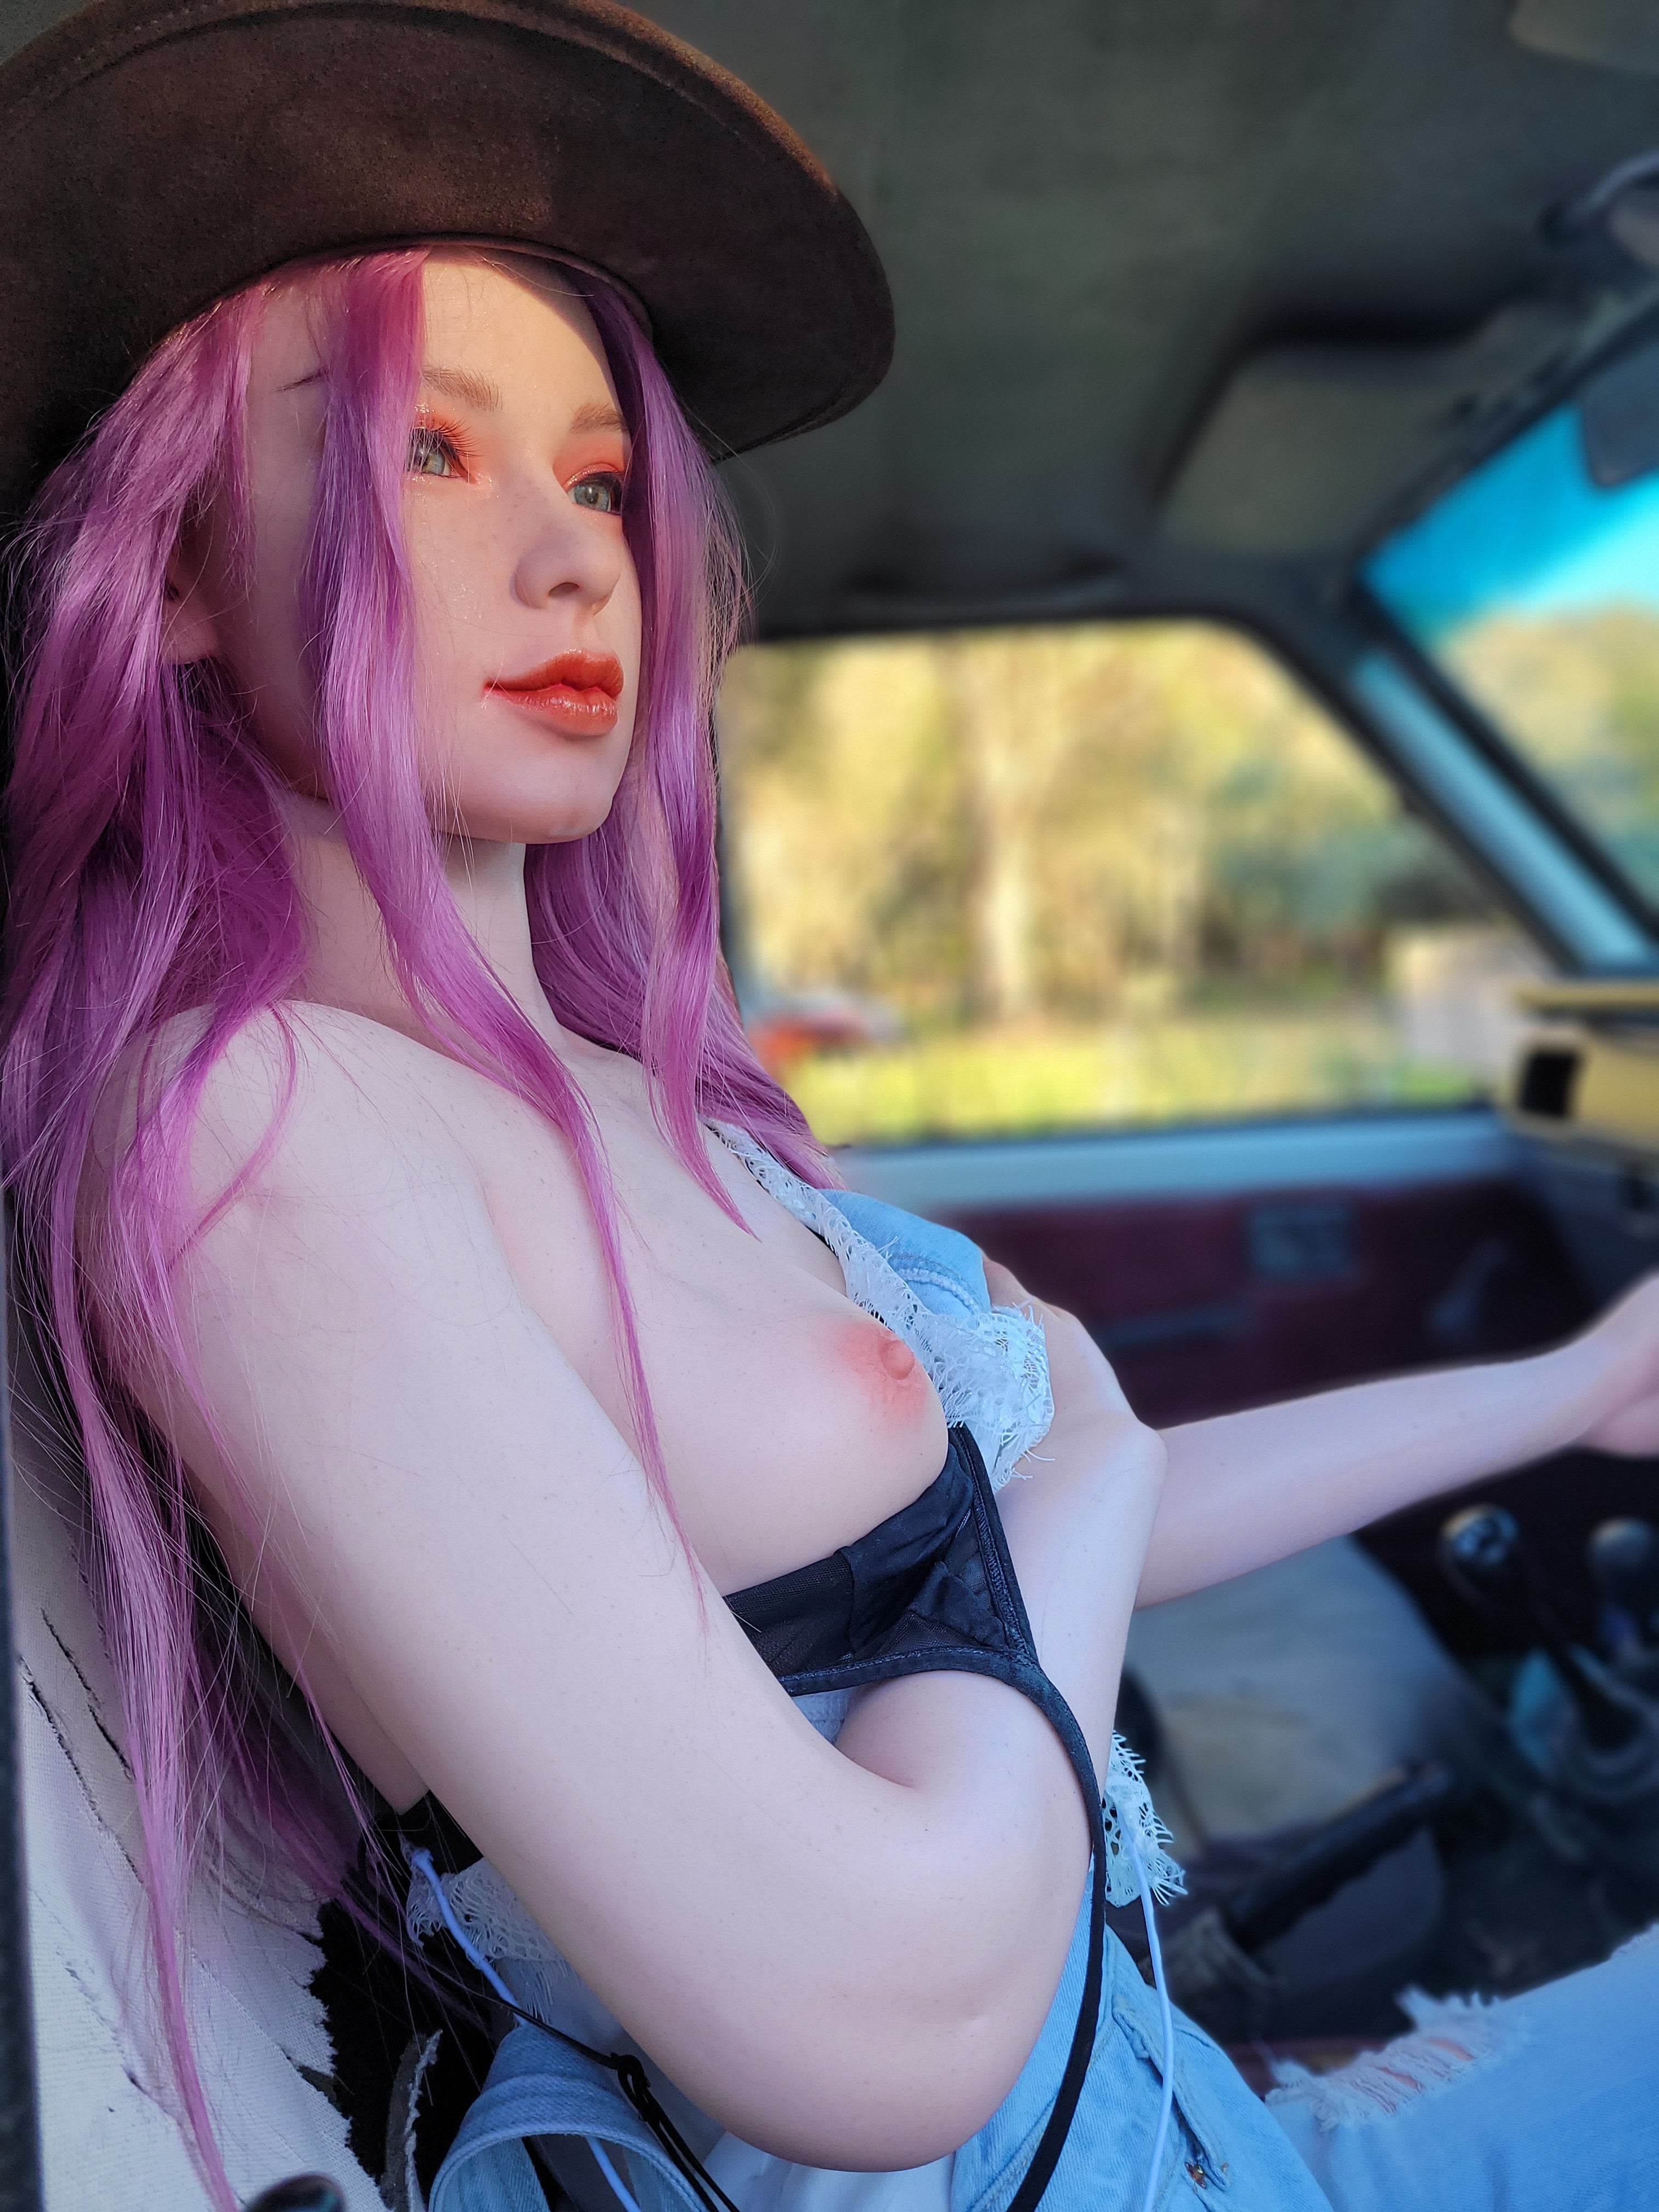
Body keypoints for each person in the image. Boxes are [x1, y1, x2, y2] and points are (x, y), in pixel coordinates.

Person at [3, 6, 1659, 2212]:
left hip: (1178, 2120)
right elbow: (874, 2030)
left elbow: (1033, 1520)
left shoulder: (643, 1096)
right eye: (427, 450)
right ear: (176, 570)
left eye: (601, 481)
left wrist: (1573, 1389)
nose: (577, 559)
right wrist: (1078, 1494)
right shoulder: (256, 1130)